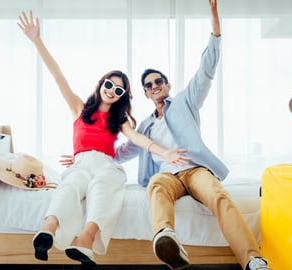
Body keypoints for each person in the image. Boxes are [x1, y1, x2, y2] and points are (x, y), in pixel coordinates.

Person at [17, 11, 191, 266]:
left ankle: (85, 242)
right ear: (101, 85)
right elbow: (58, 76)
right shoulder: (79, 108)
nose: (112, 91)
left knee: (103, 188)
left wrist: (165, 153)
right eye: (109, 85)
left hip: (106, 165)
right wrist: (37, 41)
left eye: (118, 90)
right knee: (70, 186)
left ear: (121, 96)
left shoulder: (118, 120)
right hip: (81, 163)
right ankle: (48, 229)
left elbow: (138, 138)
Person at [113, 1, 271, 269]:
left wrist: (215, 27)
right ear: (145, 93)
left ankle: (254, 260)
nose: (154, 86)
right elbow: (120, 153)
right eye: (148, 85)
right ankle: (165, 237)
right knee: (156, 185)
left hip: (195, 170)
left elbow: (206, 71)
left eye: (158, 82)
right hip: (167, 176)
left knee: (219, 197)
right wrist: (88, 150)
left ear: (167, 85)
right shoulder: (145, 128)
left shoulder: (185, 101)